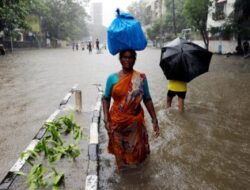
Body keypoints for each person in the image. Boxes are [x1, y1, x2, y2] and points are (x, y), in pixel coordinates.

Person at [102, 49, 160, 170]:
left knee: (138, 156)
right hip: (117, 123)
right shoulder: (112, 78)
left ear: (134, 59)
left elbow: (147, 99)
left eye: (130, 57)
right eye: (124, 57)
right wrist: (106, 118)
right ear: (120, 59)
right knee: (120, 156)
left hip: (135, 123)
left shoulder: (140, 78)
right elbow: (105, 98)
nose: (127, 60)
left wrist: (154, 119)